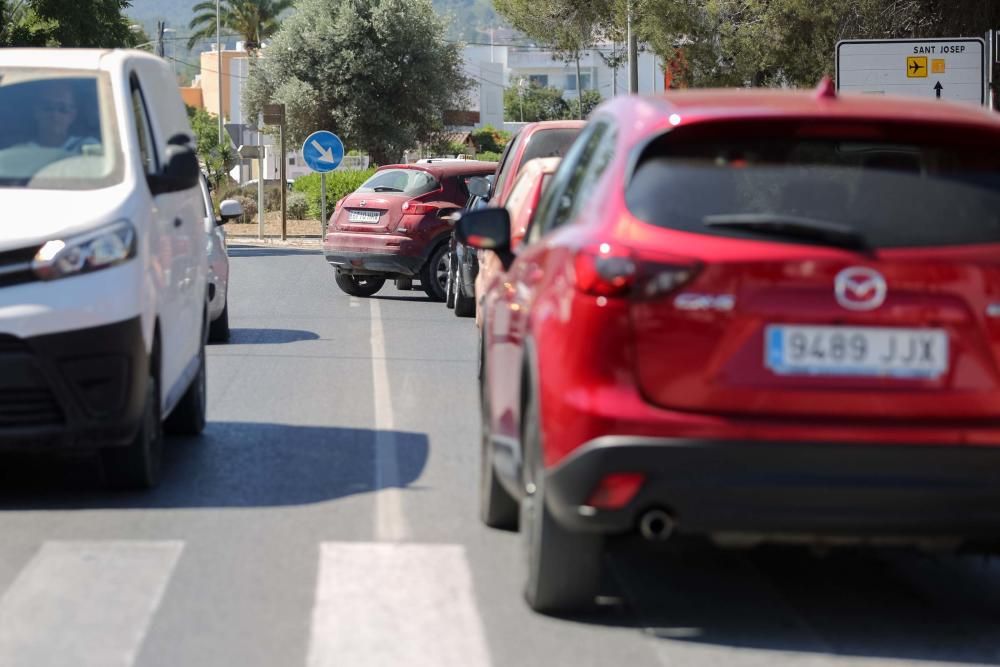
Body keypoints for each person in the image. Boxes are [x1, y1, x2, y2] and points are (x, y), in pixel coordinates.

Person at [27, 80, 99, 152]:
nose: (55, 114)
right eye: (48, 107)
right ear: (36, 112)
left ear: (72, 115)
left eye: (63, 108)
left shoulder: (88, 145)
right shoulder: (22, 151)